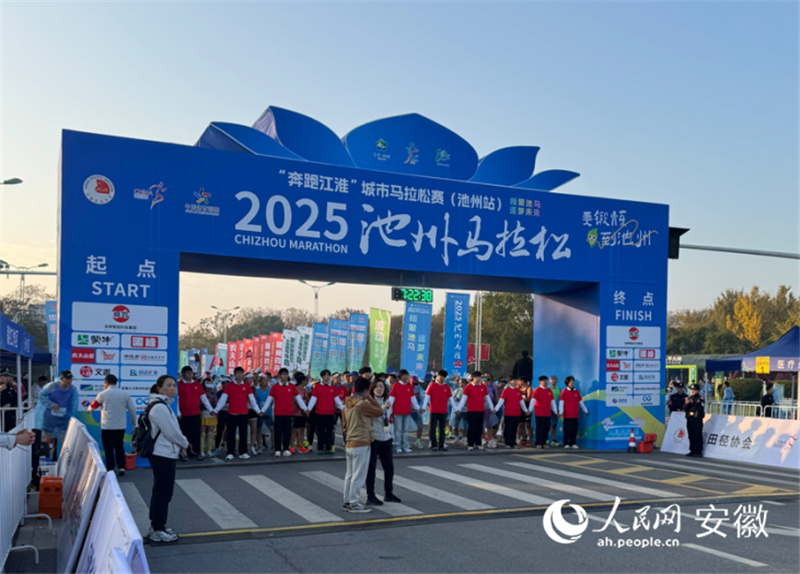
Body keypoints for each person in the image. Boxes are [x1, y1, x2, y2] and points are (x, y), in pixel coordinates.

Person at [147, 375, 189, 543]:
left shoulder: (163, 405)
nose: (173, 388)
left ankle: (157, 526)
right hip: (162, 454)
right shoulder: (160, 408)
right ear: (159, 389)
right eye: (169, 386)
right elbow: (171, 432)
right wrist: (184, 443)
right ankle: (157, 529)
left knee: (161, 491)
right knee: (163, 493)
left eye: (174, 385)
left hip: (164, 453)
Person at [341, 376, 384, 513]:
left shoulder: (346, 404)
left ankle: (347, 501)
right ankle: (354, 503)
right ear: (366, 391)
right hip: (362, 442)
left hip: (350, 442)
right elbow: (379, 412)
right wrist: (370, 399)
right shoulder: (363, 404)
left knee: (350, 474)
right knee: (359, 475)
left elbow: (344, 426)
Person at [88, 374, 137, 475]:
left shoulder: (102, 394)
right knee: (119, 446)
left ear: (106, 383)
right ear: (116, 383)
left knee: (108, 448)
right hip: (120, 426)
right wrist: (133, 422)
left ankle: (110, 468)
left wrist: (88, 410)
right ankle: (121, 467)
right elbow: (132, 409)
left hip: (107, 426)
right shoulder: (125, 394)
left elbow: (93, 406)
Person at [365, 379, 402, 506]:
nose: (379, 389)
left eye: (381, 387)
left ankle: (389, 493)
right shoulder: (369, 402)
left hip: (386, 438)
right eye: (376, 387)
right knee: (371, 469)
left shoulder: (388, 401)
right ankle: (370, 495)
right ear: (372, 389)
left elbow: (388, 418)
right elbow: (374, 414)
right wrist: (383, 408)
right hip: (374, 439)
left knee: (389, 468)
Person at [212, 367, 260, 460]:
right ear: (234, 374)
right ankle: (230, 452)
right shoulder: (229, 386)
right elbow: (223, 399)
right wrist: (216, 410)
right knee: (231, 434)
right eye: (237, 373)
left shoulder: (246, 386)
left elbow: (252, 400)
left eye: (241, 373)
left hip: (243, 414)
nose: (239, 375)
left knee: (243, 434)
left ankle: (243, 452)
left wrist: (257, 410)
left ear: (243, 375)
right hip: (232, 414)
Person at [260, 368, 308, 457]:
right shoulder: (275, 387)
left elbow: (298, 399)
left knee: (287, 432)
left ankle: (286, 449)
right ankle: (277, 449)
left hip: (289, 413)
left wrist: (305, 408)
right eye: (283, 374)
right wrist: (262, 410)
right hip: (278, 413)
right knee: (278, 432)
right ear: (279, 376)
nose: (285, 376)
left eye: (286, 374)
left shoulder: (291, 387)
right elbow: (269, 400)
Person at [34, 370, 79, 458]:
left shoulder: (73, 389)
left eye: (70, 379)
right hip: (50, 417)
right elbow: (41, 396)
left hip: (64, 418)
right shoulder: (52, 386)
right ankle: (44, 457)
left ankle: (65, 458)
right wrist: (51, 404)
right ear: (61, 378)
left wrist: (71, 415)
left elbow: (74, 403)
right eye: (67, 379)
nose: (69, 381)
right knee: (46, 437)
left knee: (65, 439)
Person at [176, 366, 213, 461]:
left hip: (196, 413)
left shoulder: (197, 384)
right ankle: (185, 453)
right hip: (184, 414)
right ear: (183, 374)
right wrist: (178, 412)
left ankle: (197, 452)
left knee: (196, 434)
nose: (189, 375)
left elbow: (203, 398)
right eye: (187, 373)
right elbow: (177, 400)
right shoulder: (179, 385)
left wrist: (211, 409)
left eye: (191, 373)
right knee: (185, 434)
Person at [307, 369, 344, 455]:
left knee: (329, 431)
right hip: (320, 413)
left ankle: (328, 448)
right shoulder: (318, 387)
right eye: (325, 375)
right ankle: (320, 448)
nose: (327, 377)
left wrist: (343, 408)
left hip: (330, 413)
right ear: (322, 377)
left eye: (328, 375)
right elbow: (313, 399)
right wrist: (308, 409)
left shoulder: (332, 388)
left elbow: (337, 400)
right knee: (320, 431)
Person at [456, 371, 495, 451]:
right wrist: (459, 409)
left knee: (479, 428)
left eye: (480, 377)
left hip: (480, 410)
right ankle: (470, 444)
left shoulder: (483, 387)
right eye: (477, 377)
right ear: (473, 378)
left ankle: (478, 443)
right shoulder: (468, 387)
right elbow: (463, 399)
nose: (479, 379)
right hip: (471, 410)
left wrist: (492, 408)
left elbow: (487, 398)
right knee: (472, 427)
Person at [388, 369, 422, 454]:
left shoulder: (410, 386)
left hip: (407, 411)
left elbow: (413, 399)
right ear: (400, 376)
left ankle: (405, 446)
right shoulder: (395, 386)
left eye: (407, 375)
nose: (406, 377)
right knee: (398, 430)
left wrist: (418, 408)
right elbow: (392, 398)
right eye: (404, 375)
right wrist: (387, 407)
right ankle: (398, 446)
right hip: (397, 412)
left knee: (405, 430)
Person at [422, 370, 456, 451]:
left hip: (443, 411)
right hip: (433, 410)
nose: (442, 378)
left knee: (442, 429)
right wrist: (423, 407)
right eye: (441, 376)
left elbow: (451, 399)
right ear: (437, 376)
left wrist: (455, 408)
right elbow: (427, 397)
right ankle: (433, 444)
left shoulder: (446, 387)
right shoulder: (432, 386)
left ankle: (441, 445)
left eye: (443, 377)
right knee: (433, 428)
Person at [495, 378, 527, 449]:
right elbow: (501, 401)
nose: (516, 382)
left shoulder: (518, 390)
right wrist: (496, 409)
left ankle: (513, 443)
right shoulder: (506, 390)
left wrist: (526, 410)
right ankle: (507, 443)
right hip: (508, 413)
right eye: (514, 380)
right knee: (508, 428)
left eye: (516, 381)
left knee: (514, 429)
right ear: (510, 381)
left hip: (517, 413)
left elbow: (521, 402)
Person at [559, 376, 589, 449]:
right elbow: (561, 403)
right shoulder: (564, 391)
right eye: (570, 381)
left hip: (575, 415)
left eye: (573, 381)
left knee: (574, 430)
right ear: (567, 383)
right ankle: (566, 443)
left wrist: (585, 410)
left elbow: (580, 402)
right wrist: (561, 412)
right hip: (567, 415)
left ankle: (573, 443)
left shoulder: (576, 391)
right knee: (567, 430)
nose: (572, 383)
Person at [530, 375, 557, 449]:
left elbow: (552, 402)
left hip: (547, 413)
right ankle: (538, 443)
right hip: (539, 413)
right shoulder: (537, 390)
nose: (545, 382)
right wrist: (529, 410)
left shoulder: (549, 391)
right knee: (539, 428)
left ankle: (544, 442)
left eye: (546, 381)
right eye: (544, 381)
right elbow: (533, 401)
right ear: (540, 381)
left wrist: (555, 411)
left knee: (546, 428)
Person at [291, 374, 311, 453]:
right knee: (295, 430)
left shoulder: (304, 389)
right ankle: (291, 446)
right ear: (302, 381)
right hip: (297, 412)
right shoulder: (296, 389)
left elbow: (307, 399)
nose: (307, 382)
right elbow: (296, 401)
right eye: (306, 380)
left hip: (304, 413)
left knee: (302, 429)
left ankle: (301, 446)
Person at [684, 383, 705, 457]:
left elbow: (700, 409)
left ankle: (698, 451)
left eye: (694, 390)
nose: (692, 391)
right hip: (690, 419)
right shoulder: (689, 398)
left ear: (698, 390)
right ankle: (692, 450)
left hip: (697, 419)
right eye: (691, 390)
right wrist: (687, 404)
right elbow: (684, 408)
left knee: (697, 435)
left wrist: (693, 403)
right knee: (691, 435)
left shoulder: (700, 399)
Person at [254, 374, 273, 453]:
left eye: (266, 381)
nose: (265, 382)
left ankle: (273, 445)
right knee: (259, 431)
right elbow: (255, 402)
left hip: (268, 414)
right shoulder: (257, 391)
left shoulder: (270, 391)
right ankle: (259, 446)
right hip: (260, 414)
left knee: (273, 430)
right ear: (259, 382)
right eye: (263, 381)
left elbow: (272, 402)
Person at [200, 384, 218, 457]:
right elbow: (199, 402)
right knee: (203, 433)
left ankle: (209, 450)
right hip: (203, 412)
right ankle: (201, 450)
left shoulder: (214, 394)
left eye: (210, 388)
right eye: (208, 387)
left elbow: (216, 403)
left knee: (210, 433)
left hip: (211, 413)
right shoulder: (201, 394)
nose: (209, 389)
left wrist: (213, 400)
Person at [409, 376, 426, 449]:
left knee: (420, 426)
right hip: (408, 410)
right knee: (406, 427)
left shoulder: (419, 388)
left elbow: (422, 398)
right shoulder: (406, 387)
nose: (414, 385)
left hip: (417, 410)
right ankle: (406, 442)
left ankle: (418, 441)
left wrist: (421, 408)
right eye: (413, 384)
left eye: (416, 384)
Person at [548, 375, 562, 447]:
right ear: (550, 381)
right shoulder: (547, 389)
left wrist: (559, 410)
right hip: (547, 410)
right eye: (552, 379)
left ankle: (554, 440)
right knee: (547, 425)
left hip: (555, 410)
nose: (553, 380)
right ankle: (545, 439)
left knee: (554, 425)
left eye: (555, 379)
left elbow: (560, 400)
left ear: (557, 381)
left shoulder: (559, 389)